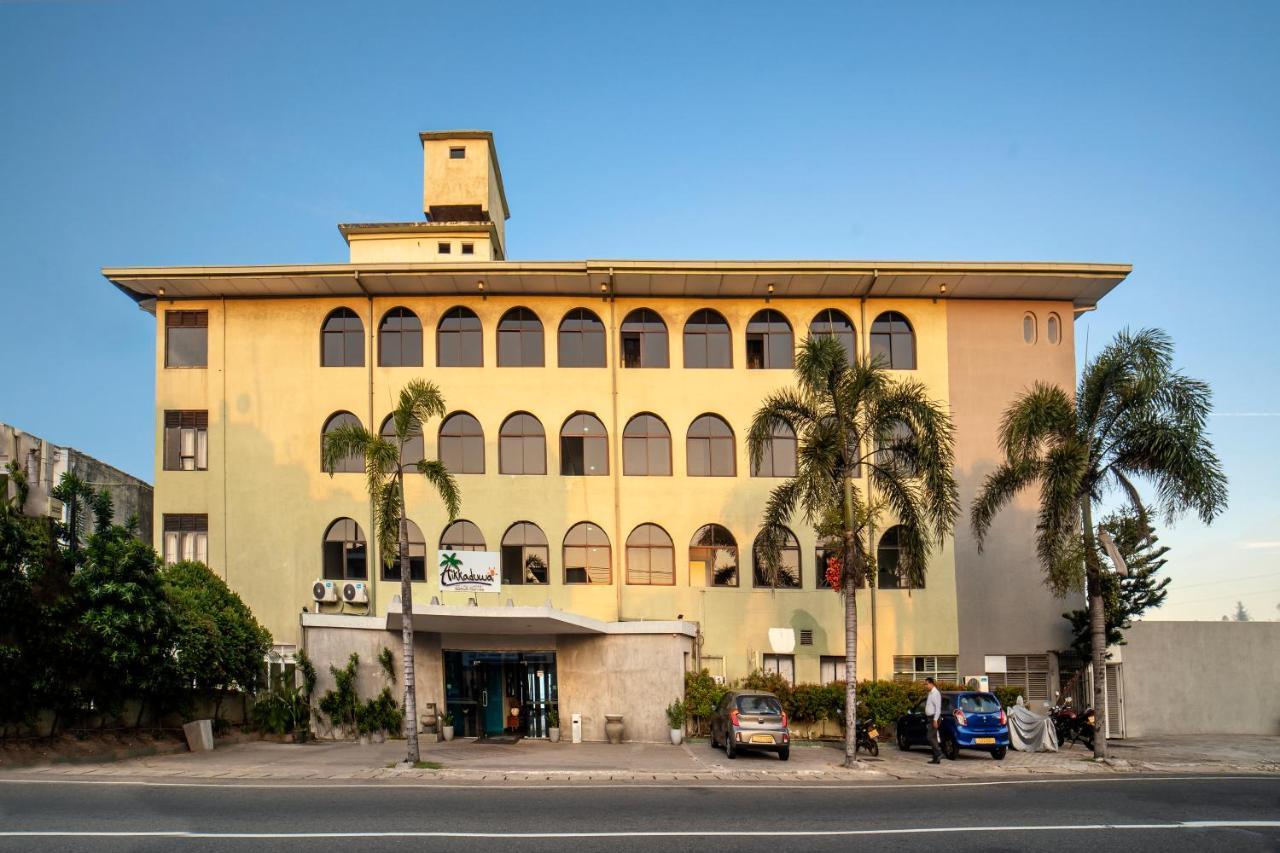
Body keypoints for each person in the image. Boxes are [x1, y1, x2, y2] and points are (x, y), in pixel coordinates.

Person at [924, 676, 942, 764]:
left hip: (934, 718)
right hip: (930, 718)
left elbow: (938, 708)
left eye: (927, 684)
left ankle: (938, 753)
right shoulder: (930, 693)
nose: (926, 686)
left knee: (930, 736)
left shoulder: (936, 693)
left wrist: (935, 720)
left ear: (931, 683)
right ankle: (936, 758)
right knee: (933, 737)